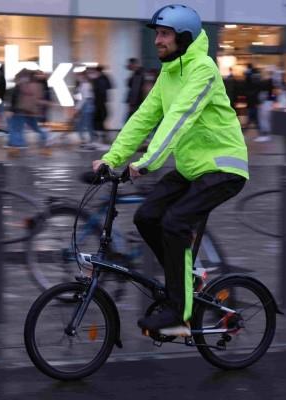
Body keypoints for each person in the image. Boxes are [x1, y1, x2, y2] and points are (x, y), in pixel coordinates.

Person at [92, 4, 248, 335]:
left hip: (224, 167)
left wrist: (147, 163)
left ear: (184, 38)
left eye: (164, 34)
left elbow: (179, 118)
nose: (158, 41)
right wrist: (112, 158)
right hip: (194, 168)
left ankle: (181, 314)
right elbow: (144, 117)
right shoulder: (168, 73)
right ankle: (185, 280)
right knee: (146, 216)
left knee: (176, 222)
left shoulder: (202, 70)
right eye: (157, 34)